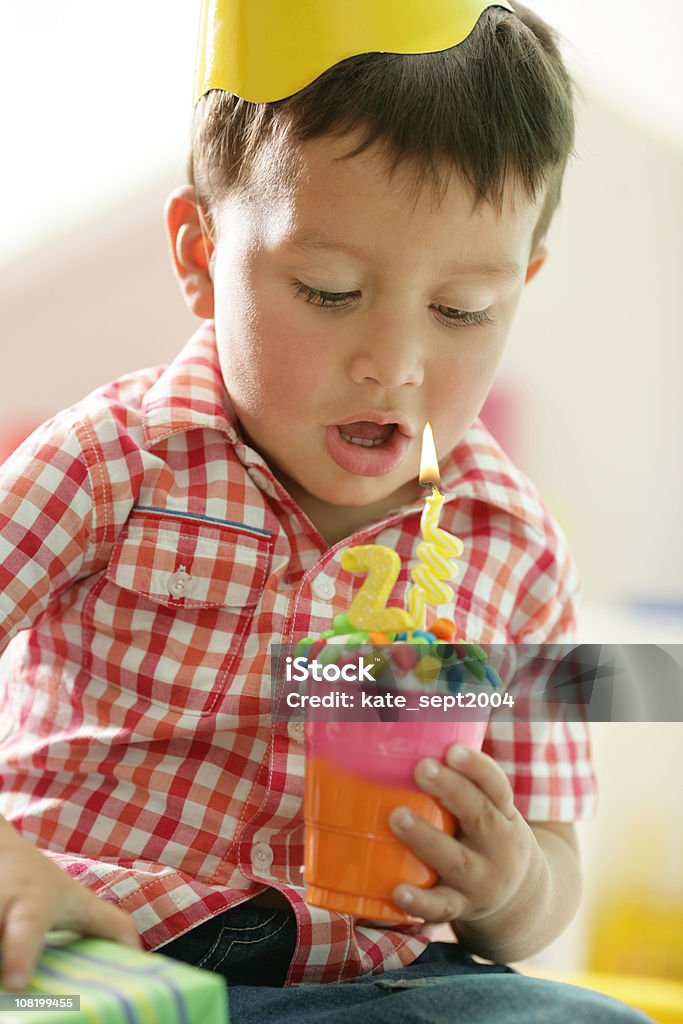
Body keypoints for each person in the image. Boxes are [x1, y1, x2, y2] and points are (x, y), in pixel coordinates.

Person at [0, 1, 652, 1021]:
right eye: (329, 289)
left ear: (519, 286)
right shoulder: (111, 462)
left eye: (460, 312)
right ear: (198, 254)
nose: (389, 365)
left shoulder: (512, 547)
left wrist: (511, 882)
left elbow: (550, 863)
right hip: (102, 948)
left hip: (374, 980)